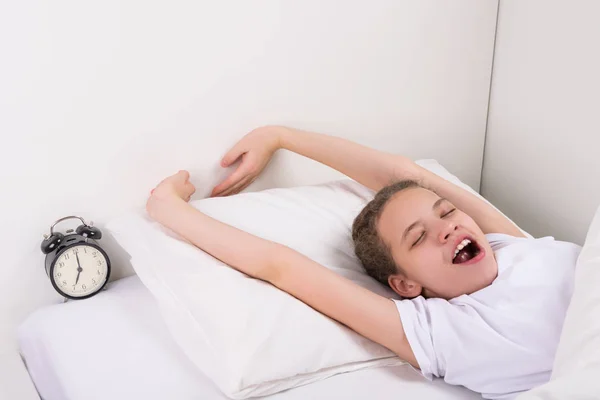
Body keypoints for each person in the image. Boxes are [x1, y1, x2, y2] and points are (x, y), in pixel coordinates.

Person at [146, 126, 581, 399]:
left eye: (447, 213)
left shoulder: (512, 244)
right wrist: (170, 210)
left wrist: (281, 136)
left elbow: (407, 176)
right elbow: (281, 266)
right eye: (419, 238)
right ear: (407, 285)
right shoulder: (437, 330)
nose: (445, 228)